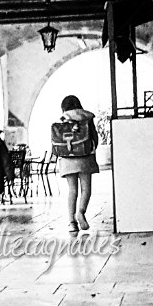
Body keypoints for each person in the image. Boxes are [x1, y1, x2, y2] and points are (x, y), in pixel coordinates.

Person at [54, 94, 100, 234]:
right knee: (86, 189)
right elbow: (94, 137)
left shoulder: (62, 119)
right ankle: (81, 212)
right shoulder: (87, 117)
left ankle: (72, 223)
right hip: (84, 157)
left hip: (67, 158)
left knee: (72, 190)